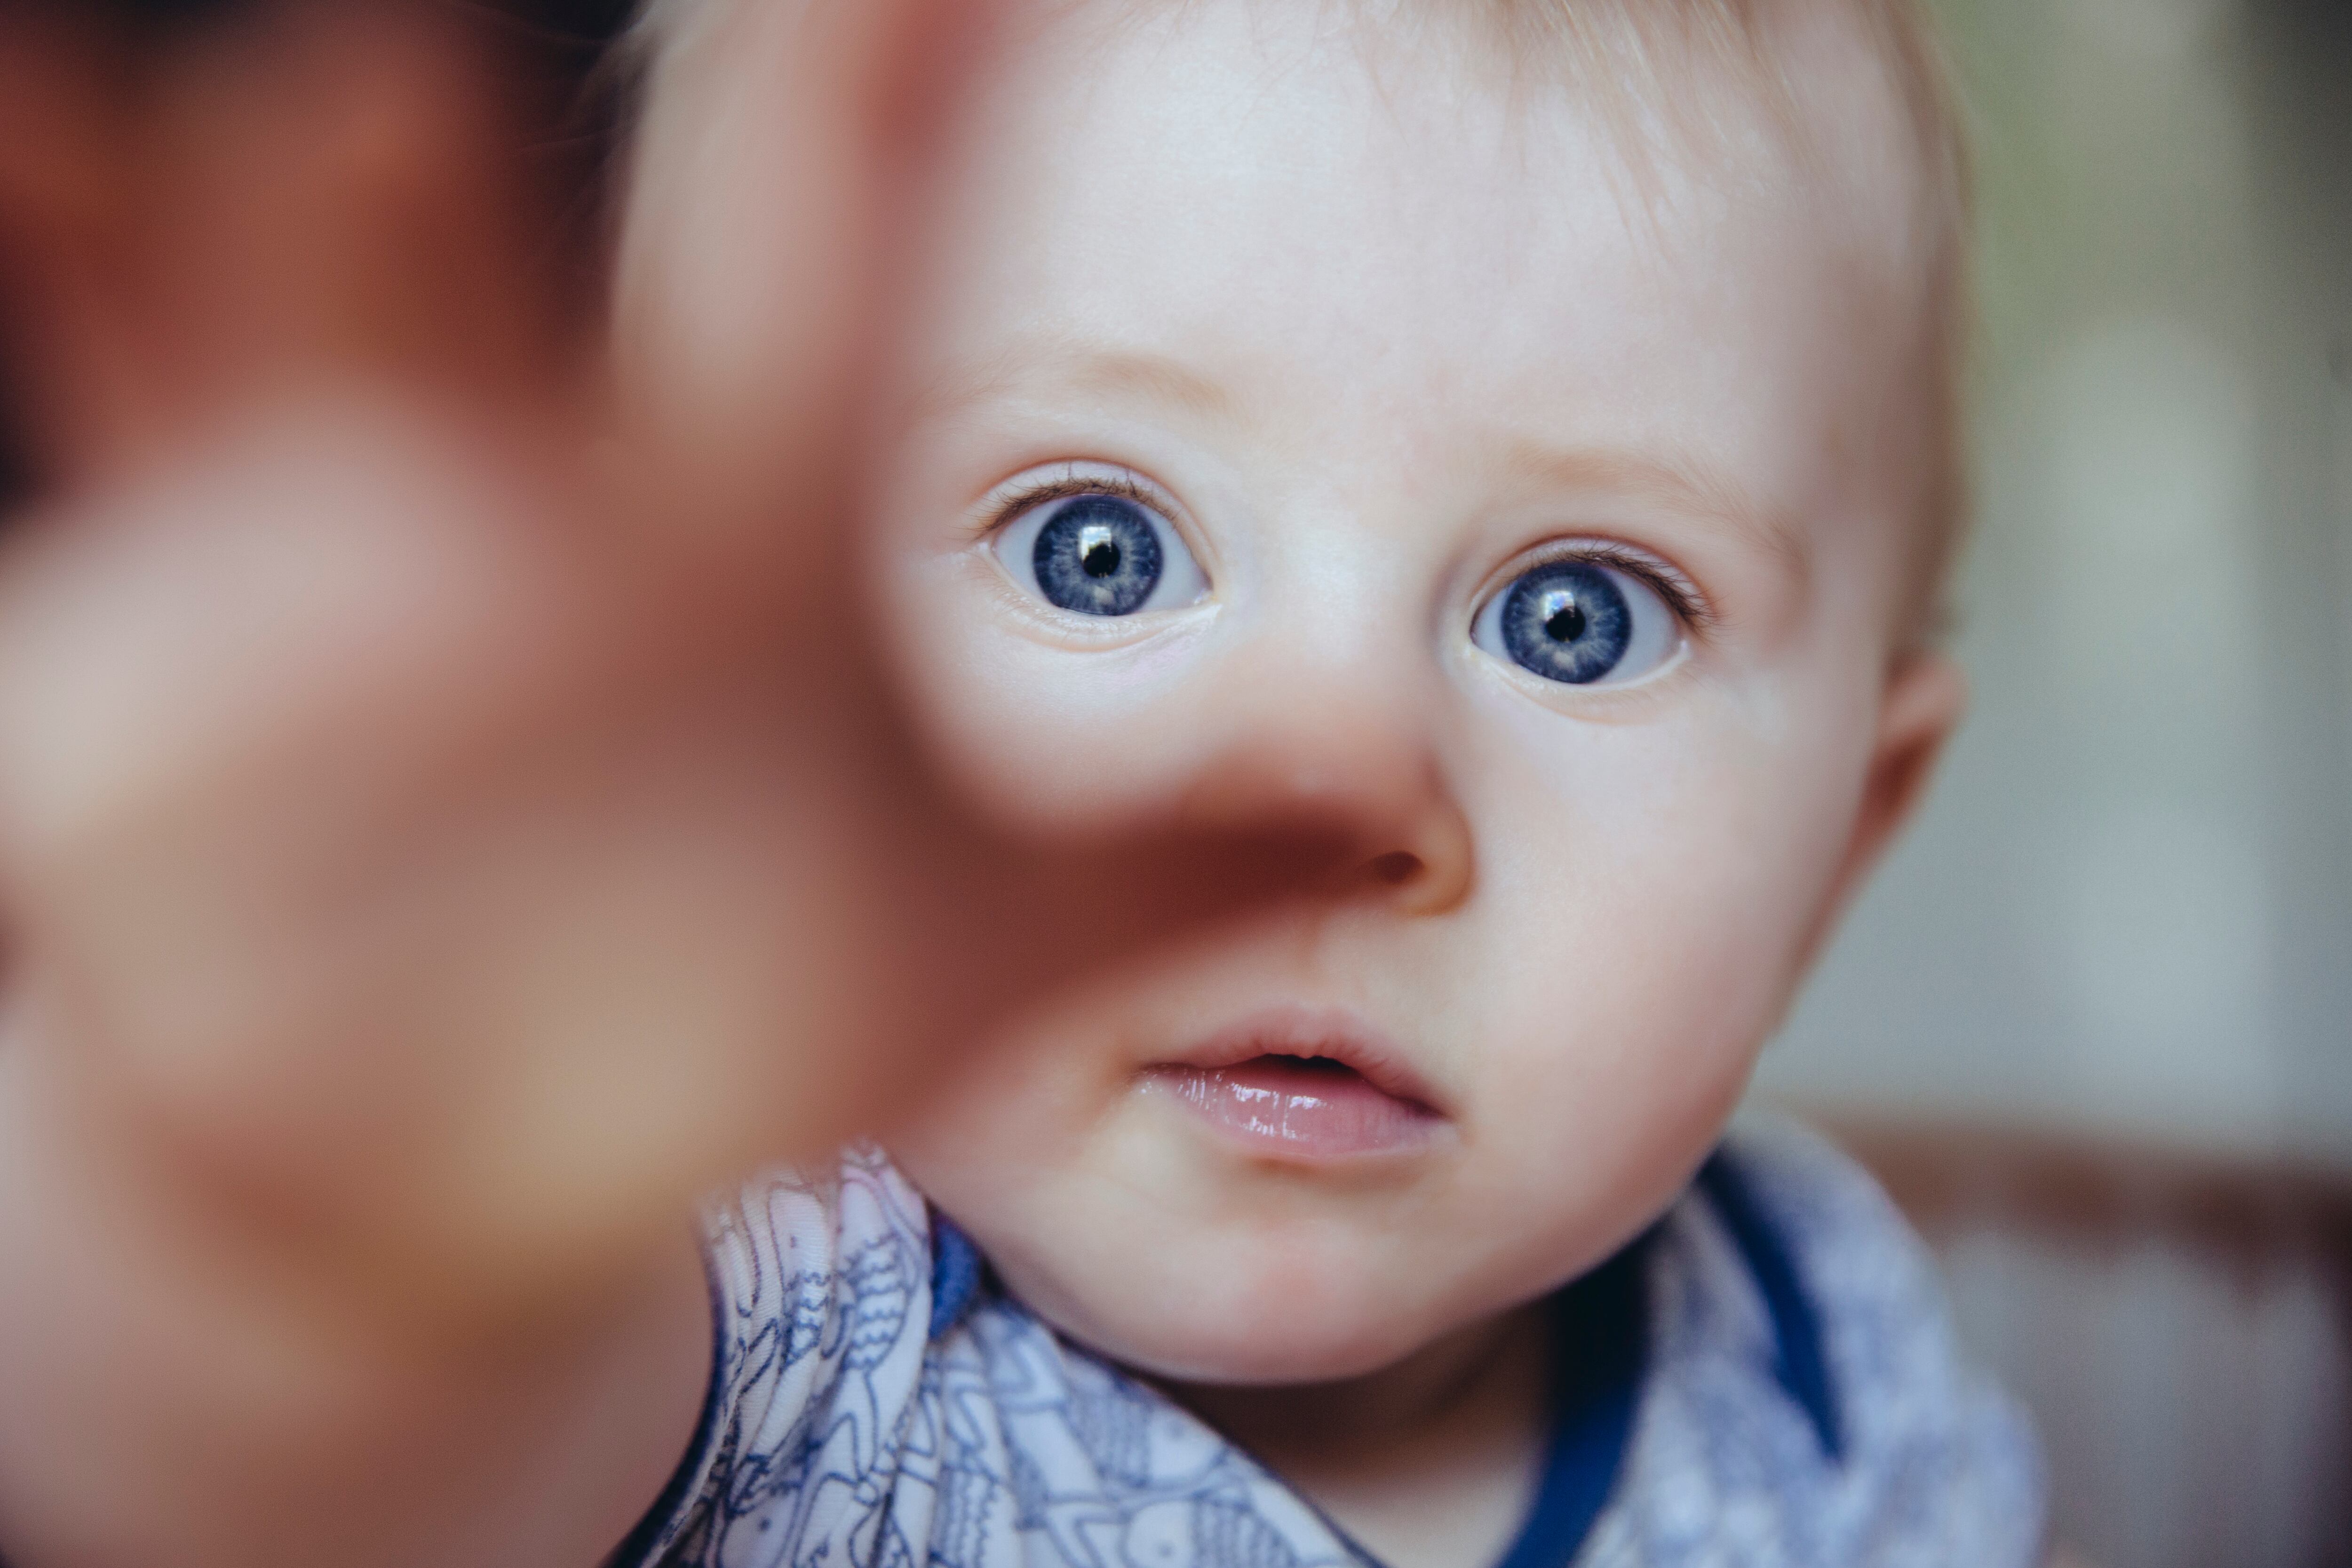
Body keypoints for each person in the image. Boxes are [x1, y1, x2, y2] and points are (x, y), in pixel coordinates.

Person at [0, 0, 2042, 1565]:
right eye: (1099, 550)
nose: (1334, 782)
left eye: (1576, 615)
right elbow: (265, 1458)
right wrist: (270, 1224)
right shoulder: (759, 1304)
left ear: (1844, 836)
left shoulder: (1817, 1354)